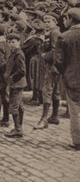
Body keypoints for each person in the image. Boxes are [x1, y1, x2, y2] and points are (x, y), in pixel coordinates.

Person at [54, 8, 80, 150]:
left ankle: (77, 141)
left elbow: (58, 61)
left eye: (66, 18)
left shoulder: (64, 37)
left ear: (70, 19)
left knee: (75, 110)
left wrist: (64, 72)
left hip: (72, 78)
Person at [34, 12, 61, 129]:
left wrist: (44, 55)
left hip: (52, 66)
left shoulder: (55, 33)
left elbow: (55, 51)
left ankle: (44, 119)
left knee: (47, 91)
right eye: (44, 21)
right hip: (54, 67)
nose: (46, 24)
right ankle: (54, 116)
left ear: (55, 22)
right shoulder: (49, 33)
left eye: (49, 21)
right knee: (55, 91)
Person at [4, 33, 26, 138]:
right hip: (16, 83)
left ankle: (18, 129)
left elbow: (22, 71)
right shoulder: (14, 52)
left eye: (13, 42)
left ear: (19, 42)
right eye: (9, 42)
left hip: (17, 84)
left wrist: (12, 78)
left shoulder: (18, 54)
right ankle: (19, 127)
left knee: (13, 106)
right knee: (19, 106)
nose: (11, 44)